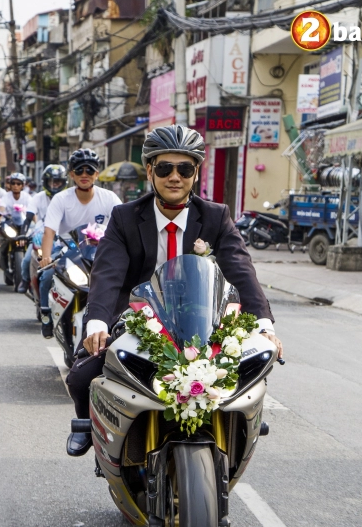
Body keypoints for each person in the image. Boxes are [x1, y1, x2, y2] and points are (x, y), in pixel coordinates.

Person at [64, 126, 284, 456]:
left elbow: (242, 272)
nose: (175, 177)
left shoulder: (216, 217)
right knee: (83, 377)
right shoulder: (124, 217)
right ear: (150, 170)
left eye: (185, 168)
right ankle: (89, 426)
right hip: (135, 314)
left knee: (249, 370)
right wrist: (96, 324)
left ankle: (238, 435)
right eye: (165, 168)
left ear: (196, 172)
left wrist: (265, 327)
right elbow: (107, 275)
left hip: (200, 317)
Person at [39, 150, 122, 338]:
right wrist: (46, 257)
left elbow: (124, 226)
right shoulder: (60, 199)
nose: (84, 175)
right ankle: (46, 314)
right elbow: (49, 231)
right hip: (67, 250)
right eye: (79, 170)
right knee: (46, 275)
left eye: (90, 170)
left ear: (97, 174)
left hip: (101, 251)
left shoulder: (110, 198)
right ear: (71, 174)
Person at [19, 164, 67, 294]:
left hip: (63, 240)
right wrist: (23, 234)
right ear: (45, 183)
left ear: (63, 182)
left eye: (57, 182)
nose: (54, 185)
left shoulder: (68, 199)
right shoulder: (37, 198)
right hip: (41, 238)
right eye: (51, 181)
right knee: (28, 259)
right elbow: (28, 218)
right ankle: (24, 280)